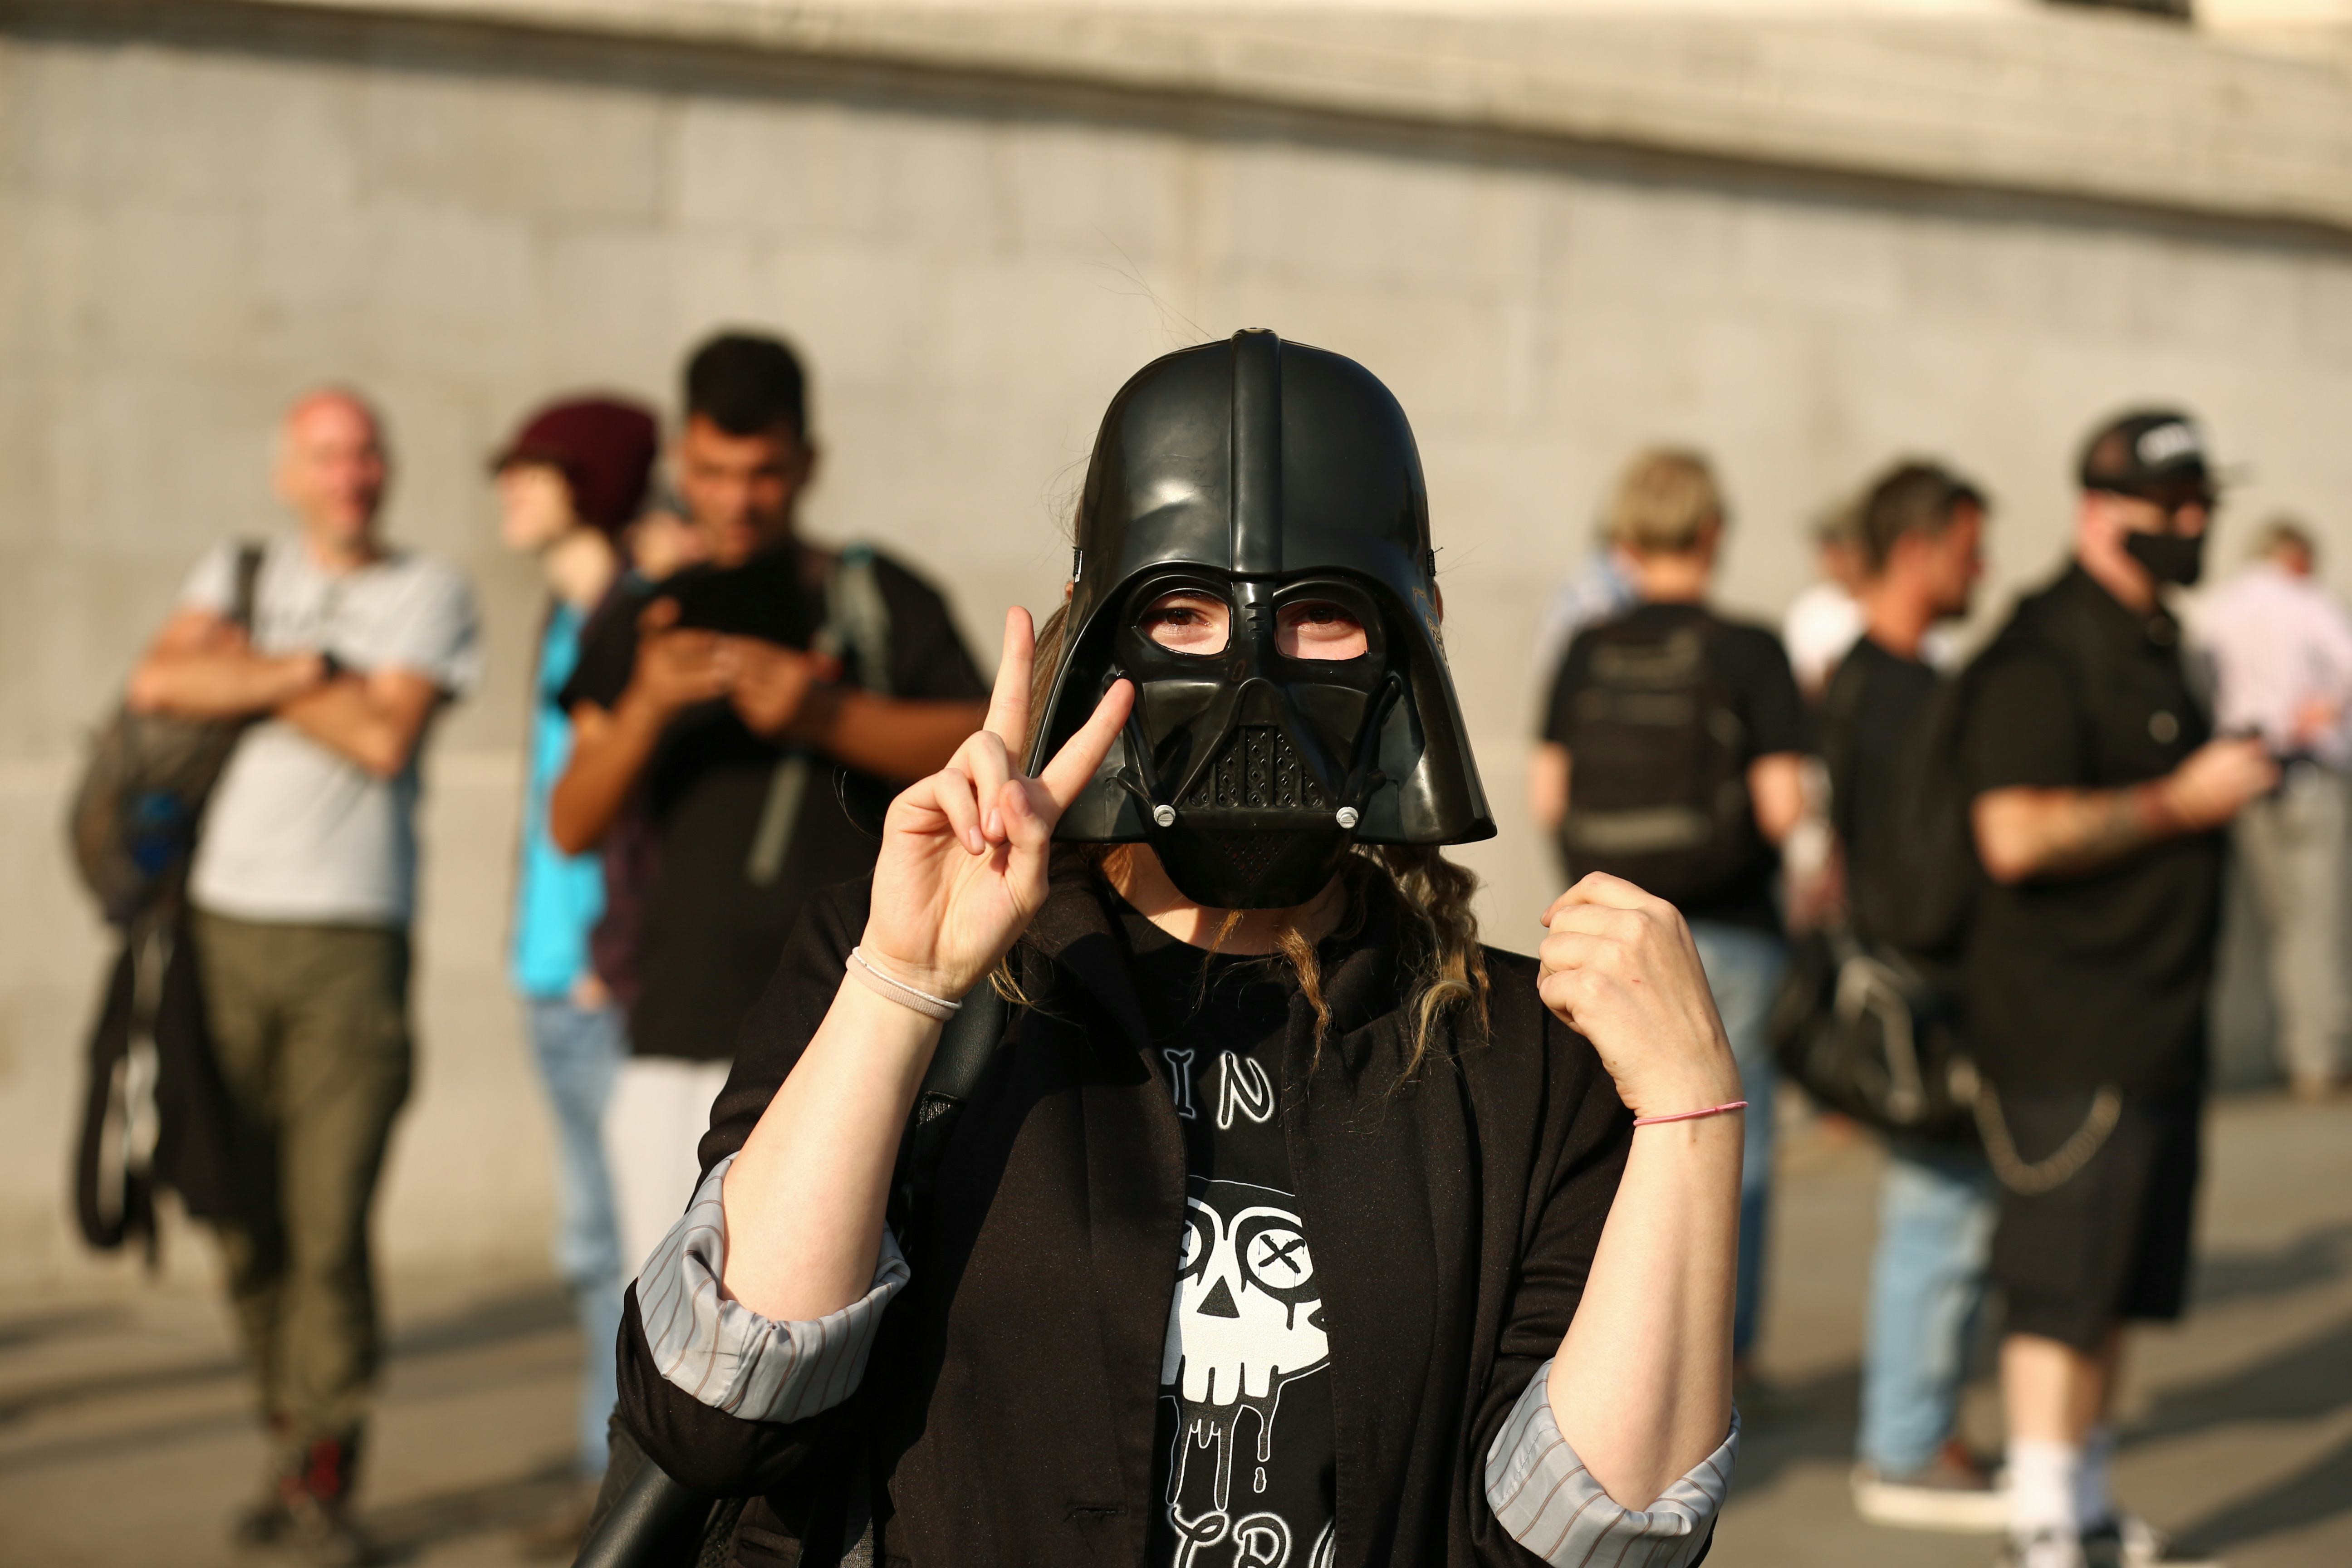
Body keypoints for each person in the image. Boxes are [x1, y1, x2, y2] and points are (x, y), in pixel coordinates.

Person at [614, 329, 1741, 1566]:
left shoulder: (1516, 1055)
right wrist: (901, 987)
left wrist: (1692, 1114)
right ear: (1094, 631)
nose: (1252, 674)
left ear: (1411, 638)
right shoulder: (918, 969)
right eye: (1184, 613)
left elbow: (1588, 1548)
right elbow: (718, 1410)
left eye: (1321, 617)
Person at [550, 332, 988, 1283]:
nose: (738, 499)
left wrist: (824, 713)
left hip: (846, 1029)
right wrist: (648, 707)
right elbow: (571, 821)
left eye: (764, 474)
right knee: (665, 1334)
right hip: (677, 1033)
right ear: (681, 463)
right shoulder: (643, 616)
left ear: (807, 466)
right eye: (712, 471)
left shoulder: (877, 596)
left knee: (832, 1322)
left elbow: (983, 744)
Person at [126, 389, 480, 1563]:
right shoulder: (232, 569)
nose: (352, 471)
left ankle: (325, 1461)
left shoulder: (427, 593)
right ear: (290, 470)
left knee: (328, 1221)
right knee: (237, 1208)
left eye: (368, 448)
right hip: (219, 935)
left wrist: (257, 672)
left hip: (350, 943)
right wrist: (321, 672)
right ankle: (289, 1431)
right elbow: (157, 686)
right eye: (328, 453)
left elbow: (387, 741)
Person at [1960, 410, 2275, 1568]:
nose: (2194, 524)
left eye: (2204, 504)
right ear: (2102, 508)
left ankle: (2084, 1496)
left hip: (2158, 1021)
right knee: (2058, 1283)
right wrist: (2180, 804)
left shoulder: (2158, 640)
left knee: (2121, 1282)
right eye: (2173, 506)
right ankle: (2040, 1516)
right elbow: (2011, 833)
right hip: (2065, 1029)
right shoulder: (2042, 649)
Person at [1532, 448, 1809, 1382]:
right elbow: (1781, 810)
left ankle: (1612, 1345)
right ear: (1714, 532)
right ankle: (1721, 1358)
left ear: (1626, 540)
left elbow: (1546, 796)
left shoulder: (1585, 647)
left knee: (1605, 1138)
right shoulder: (1751, 650)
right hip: (1725, 927)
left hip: (1601, 924)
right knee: (1735, 1135)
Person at [1821, 462, 2008, 1532]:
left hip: (1910, 979)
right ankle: (1904, 1444)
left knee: (1945, 1220)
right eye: (1969, 544)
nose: (1981, 566)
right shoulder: (1897, 690)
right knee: (1940, 1220)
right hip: (1925, 990)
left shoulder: (1875, 677)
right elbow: (1918, 869)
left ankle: (1917, 1431)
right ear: (1919, 547)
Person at [489, 394, 658, 1535]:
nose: (507, 488)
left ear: (589, 481)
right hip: (550, 973)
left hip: (600, 983)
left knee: (622, 1248)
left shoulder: (629, 616)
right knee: (589, 1240)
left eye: (532, 469)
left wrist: (610, 953)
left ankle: (624, 1495)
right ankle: (610, 1476)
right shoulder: (567, 614)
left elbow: (634, 811)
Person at [2194, 516, 2352, 1101]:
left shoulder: (2220, 610)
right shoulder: (2303, 601)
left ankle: (2300, 1050)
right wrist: (2324, 711)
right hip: (2305, 770)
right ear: (2297, 558)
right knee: (2320, 920)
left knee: (2285, 923)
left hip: (2245, 773)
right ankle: (2320, 1056)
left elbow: (2203, 682)